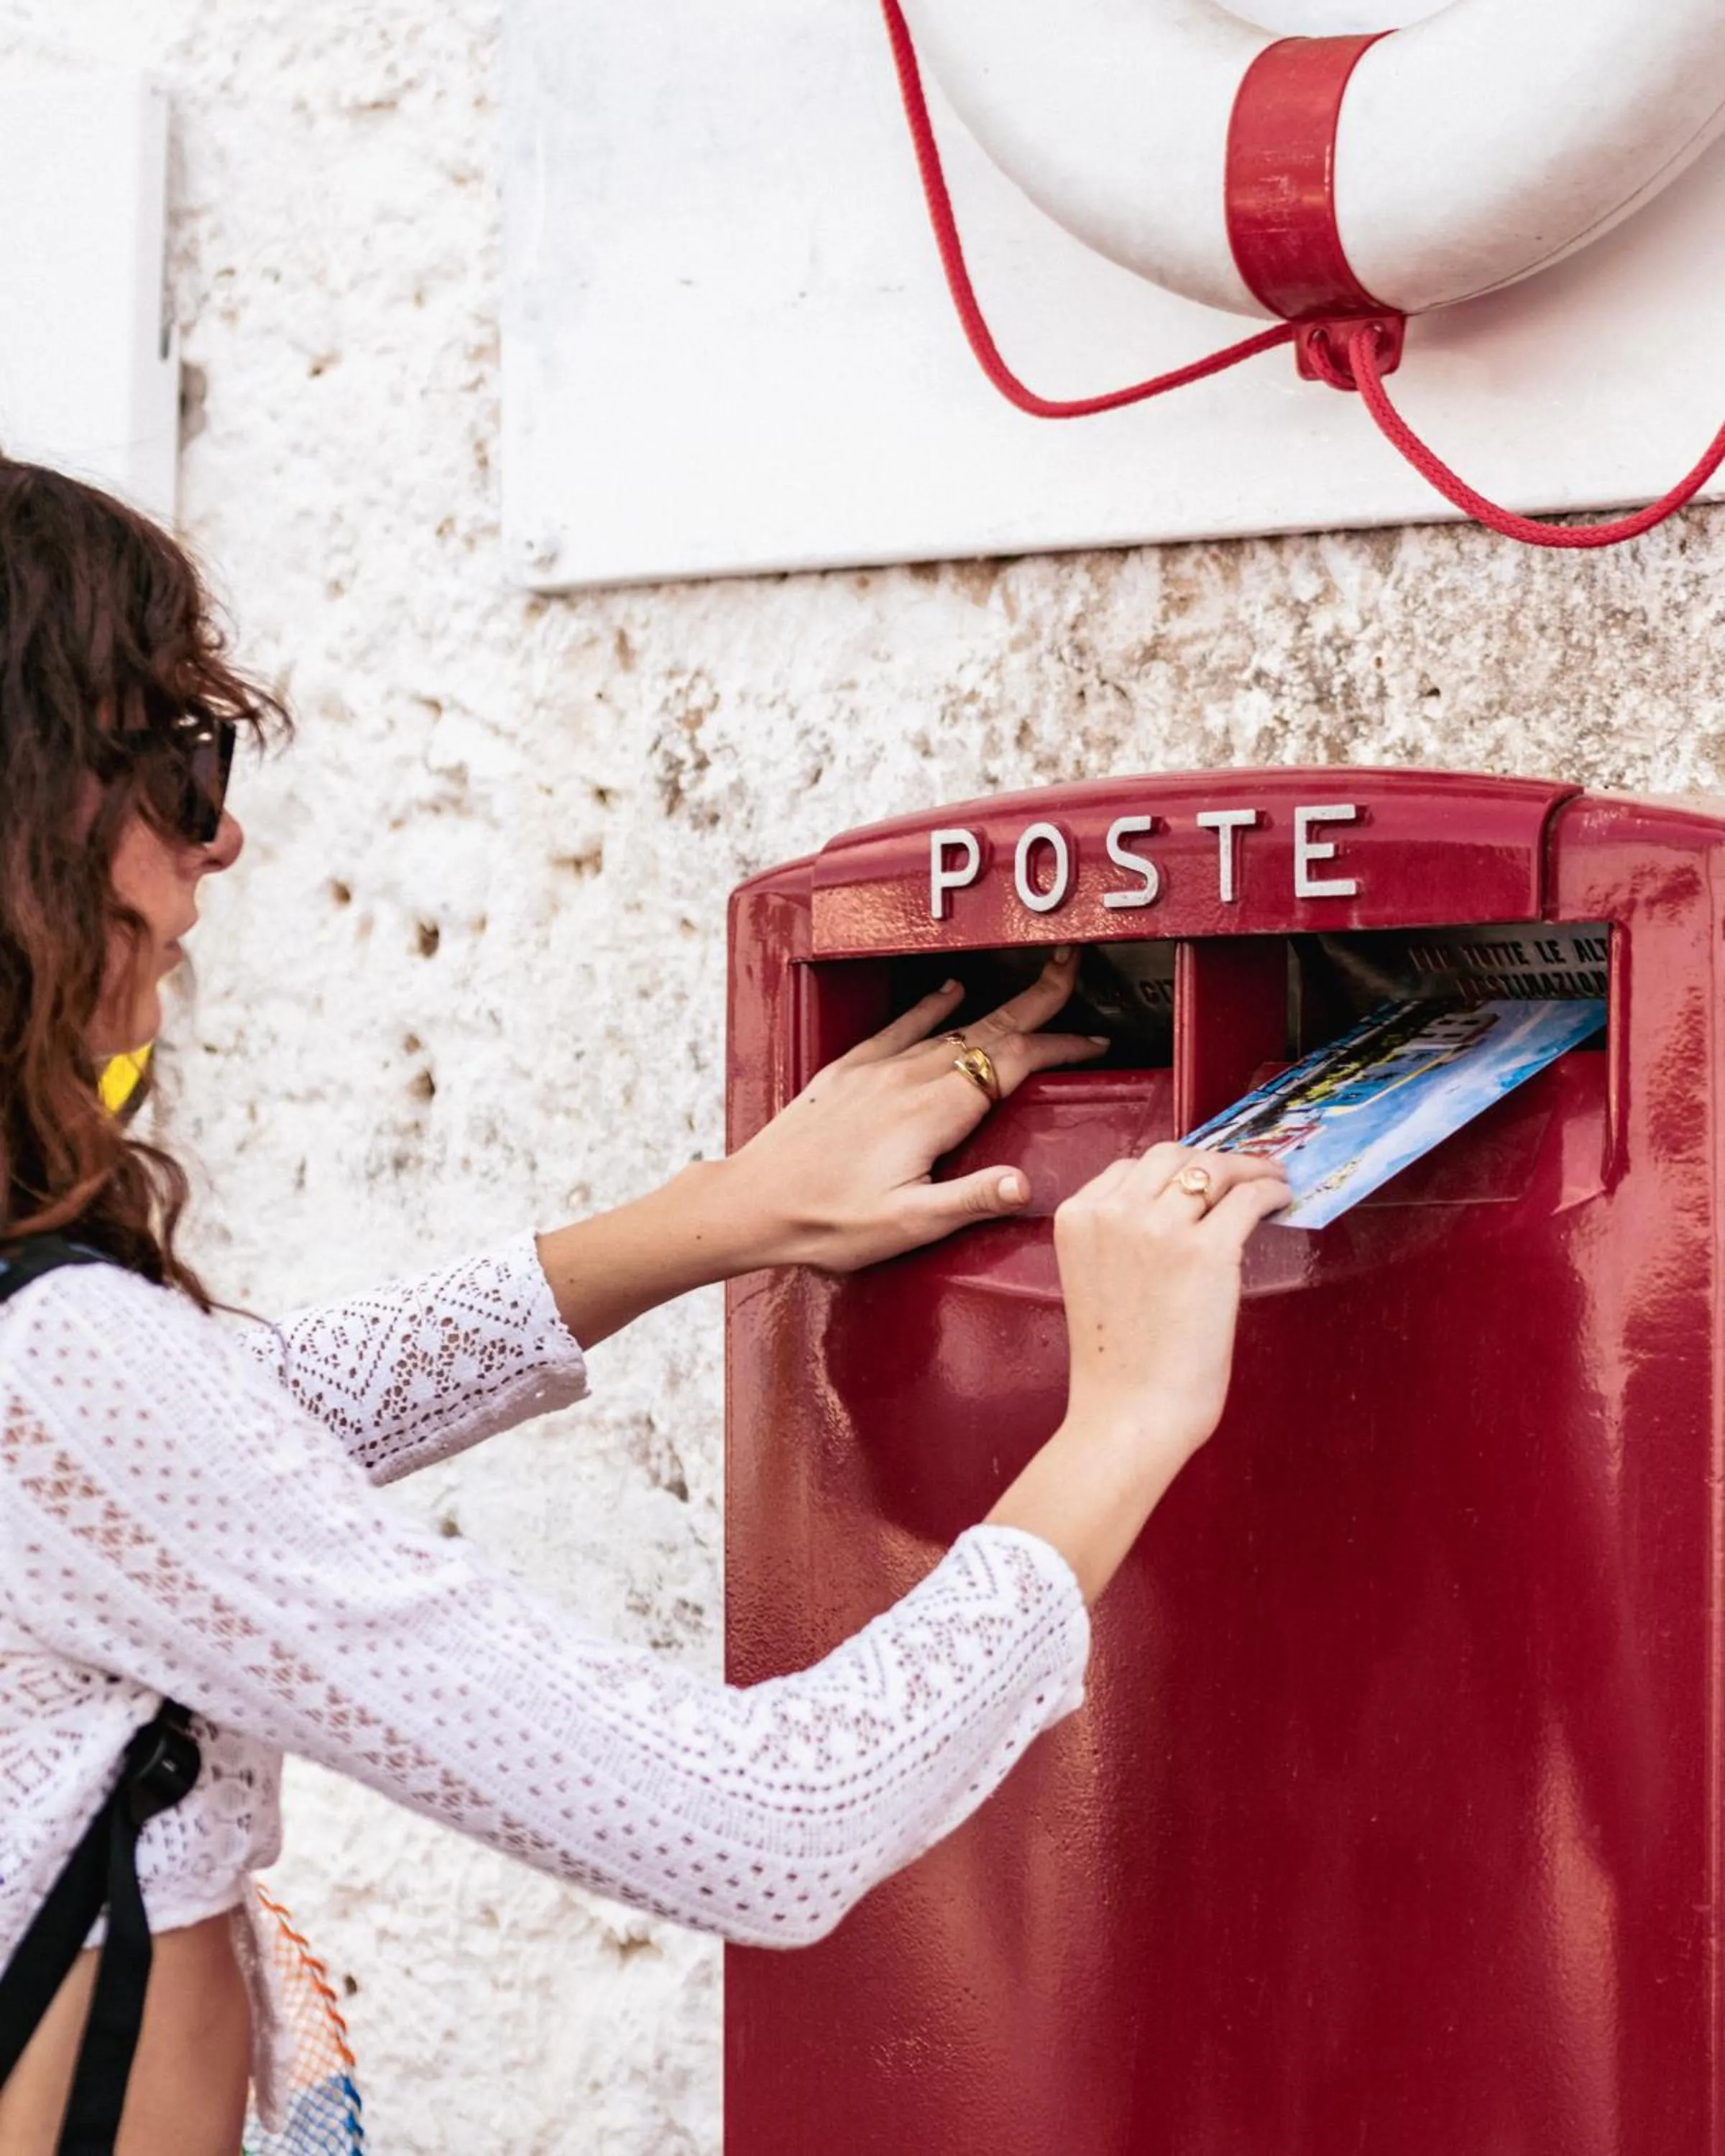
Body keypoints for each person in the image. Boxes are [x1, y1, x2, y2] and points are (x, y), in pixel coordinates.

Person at [0, 459, 1289, 2155]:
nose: (222, 834)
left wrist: (709, 1221)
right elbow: (768, 1826)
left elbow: (213, 1436)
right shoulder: (68, 1370)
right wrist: (1122, 1425)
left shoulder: (73, 1384)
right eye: (172, 763)